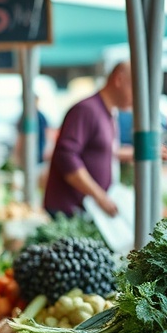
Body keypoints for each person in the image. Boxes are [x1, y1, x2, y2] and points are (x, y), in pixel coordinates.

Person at [44, 62, 133, 217]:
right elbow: (66, 156)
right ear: (119, 80)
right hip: (68, 213)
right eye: (135, 89)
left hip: (86, 212)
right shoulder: (87, 110)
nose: (138, 98)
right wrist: (100, 196)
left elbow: (100, 151)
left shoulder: (109, 114)